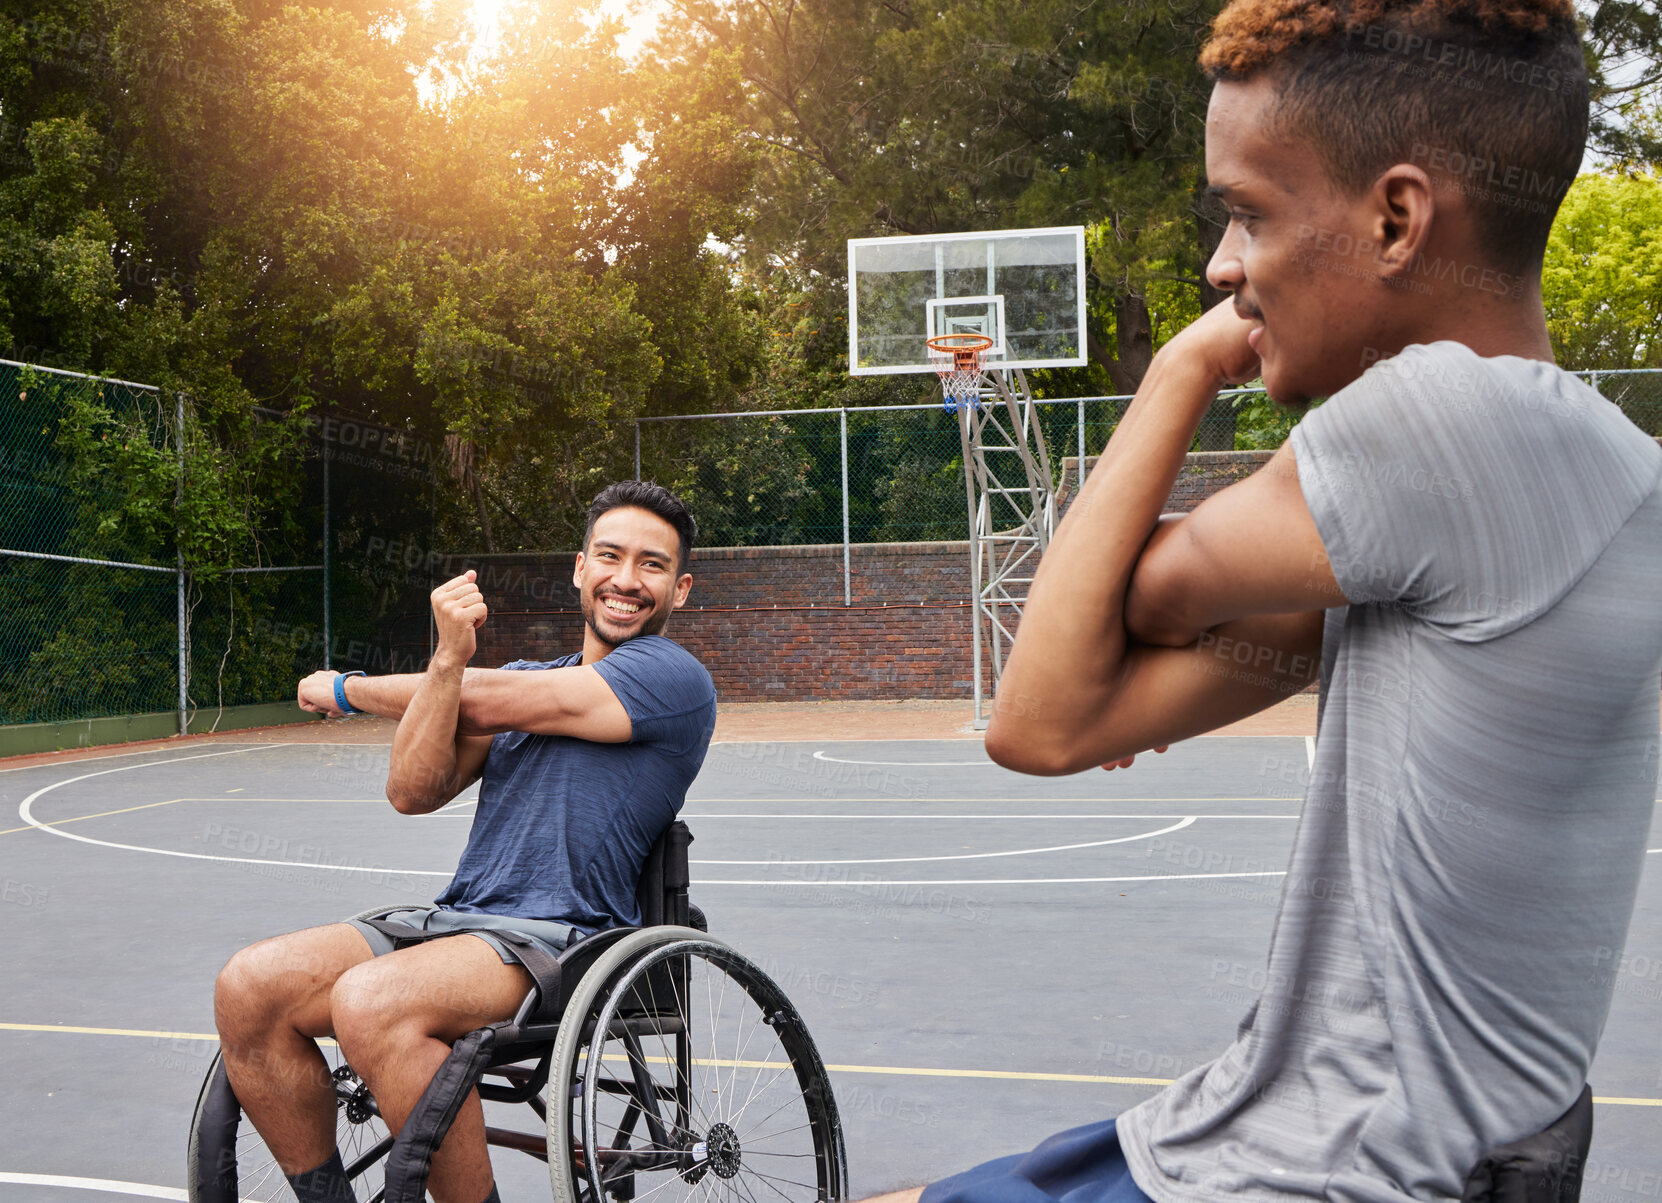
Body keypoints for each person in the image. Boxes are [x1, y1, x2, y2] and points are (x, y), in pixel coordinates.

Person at [877, 1, 1662, 1201]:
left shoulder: (1452, 421)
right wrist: (1135, 641)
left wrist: (1183, 369)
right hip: (1313, 1137)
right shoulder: (1592, 473)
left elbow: (1094, 633)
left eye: (1247, 212)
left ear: (1399, 220)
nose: (1222, 266)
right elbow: (1052, 722)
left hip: (1326, 1168)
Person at [212, 480, 717, 1203]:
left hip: (565, 938)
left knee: (371, 1001)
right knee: (249, 985)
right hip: (459, 923)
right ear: (580, 568)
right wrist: (446, 663)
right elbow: (412, 790)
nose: (626, 581)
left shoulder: (672, 678)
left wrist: (346, 688)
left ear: (681, 588)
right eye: (610, 556)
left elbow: (487, 700)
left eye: (652, 565)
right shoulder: (517, 676)